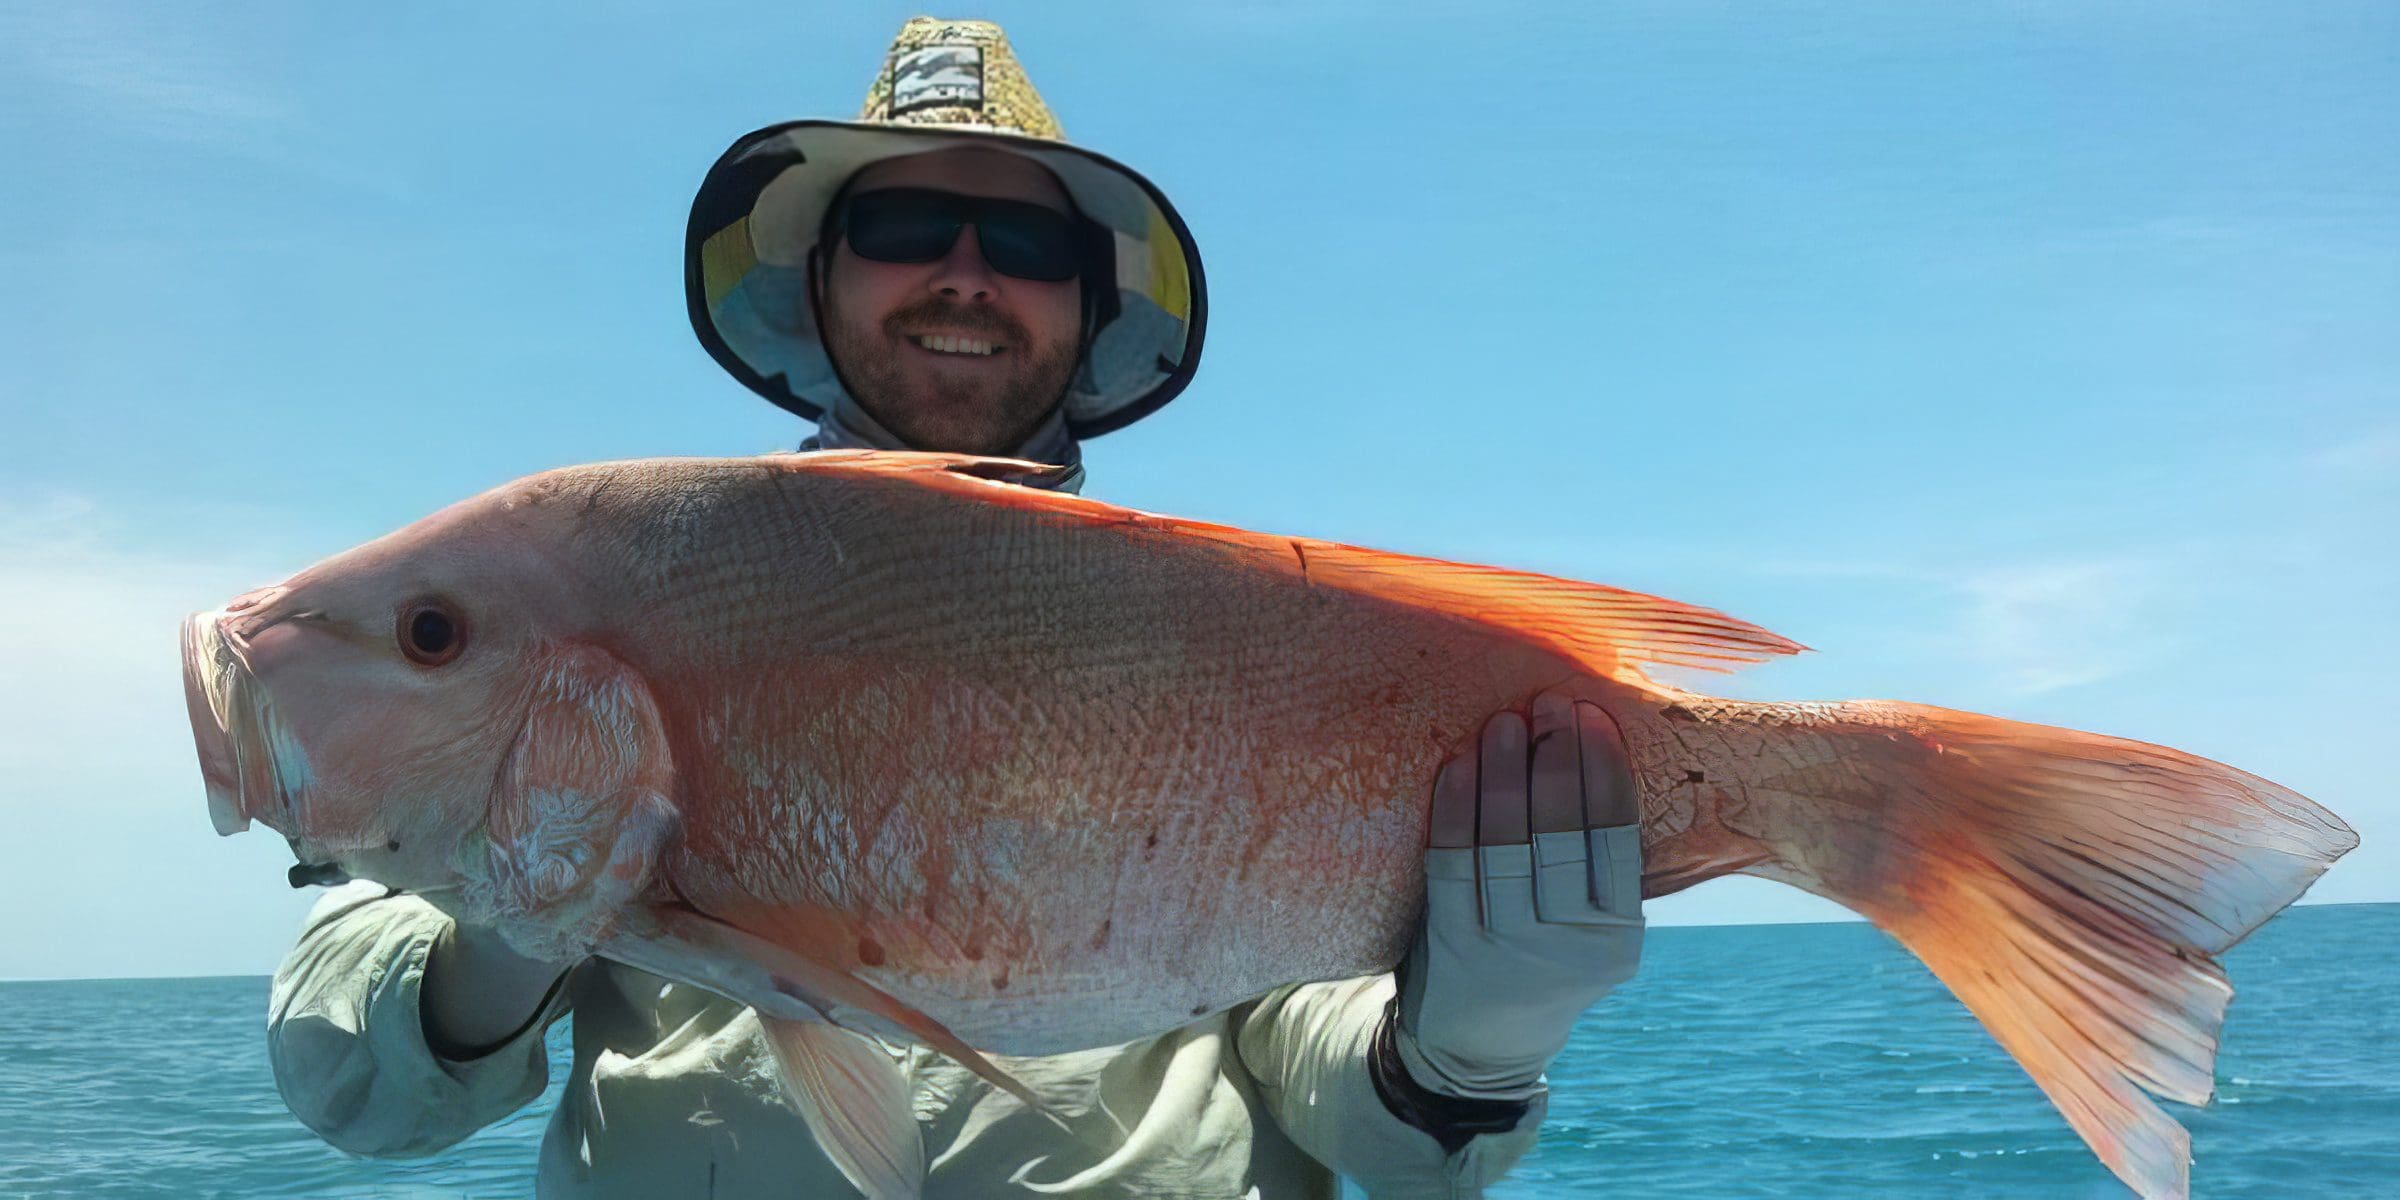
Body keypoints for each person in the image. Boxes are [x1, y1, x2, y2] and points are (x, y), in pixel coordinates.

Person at [268, 19, 1645, 1199]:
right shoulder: (619, 598)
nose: (967, 274)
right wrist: (506, 938)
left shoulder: (1230, 637)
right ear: (820, 279)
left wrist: (1465, 1054)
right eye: (904, 227)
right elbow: (355, 1094)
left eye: (1028, 241)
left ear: (1090, 306)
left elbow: (1350, 1100)